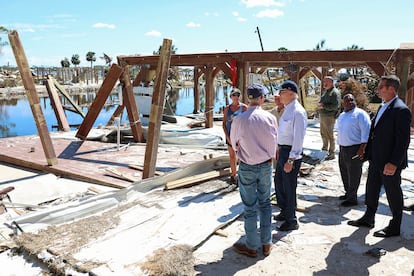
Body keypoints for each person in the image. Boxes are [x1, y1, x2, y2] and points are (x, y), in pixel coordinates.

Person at [348, 75, 411, 238]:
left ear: (391, 89)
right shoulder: (383, 106)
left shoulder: (401, 109)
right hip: (376, 158)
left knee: (393, 193)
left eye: (381, 86)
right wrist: (366, 151)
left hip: (389, 162)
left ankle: (395, 226)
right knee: (371, 189)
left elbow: (403, 140)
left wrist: (393, 163)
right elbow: (375, 132)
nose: (378, 89)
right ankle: (369, 217)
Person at [230, 84, 278, 258]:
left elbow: (234, 143)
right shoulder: (270, 118)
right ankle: (266, 243)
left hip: (247, 166)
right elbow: (274, 143)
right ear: (262, 98)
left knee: (250, 207)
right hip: (265, 165)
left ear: (248, 98)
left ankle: (251, 246)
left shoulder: (239, 119)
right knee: (265, 204)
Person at [273, 80, 307, 231]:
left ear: (291, 93)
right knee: (279, 182)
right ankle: (284, 211)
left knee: (289, 186)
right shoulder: (287, 109)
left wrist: (291, 159)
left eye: (282, 93)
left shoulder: (298, 111)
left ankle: (291, 219)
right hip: (283, 150)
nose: (280, 95)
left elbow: (298, 137)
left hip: (291, 153)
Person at [336, 93, 371, 207]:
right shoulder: (342, 115)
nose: (350, 102)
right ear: (343, 102)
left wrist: (362, 149)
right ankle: (348, 193)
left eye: (352, 100)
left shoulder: (360, 114)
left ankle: (352, 198)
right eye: (347, 100)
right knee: (344, 171)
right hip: (343, 148)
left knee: (354, 173)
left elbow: (366, 132)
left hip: (355, 148)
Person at [222, 88, 247, 185]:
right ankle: (233, 175)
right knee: (232, 156)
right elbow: (224, 124)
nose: (236, 97)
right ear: (230, 97)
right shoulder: (227, 109)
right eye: (234, 95)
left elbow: (248, 122)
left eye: (238, 95)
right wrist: (227, 137)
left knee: (241, 157)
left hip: (240, 137)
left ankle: (241, 175)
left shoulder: (244, 108)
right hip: (229, 136)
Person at [317, 76, 340, 160]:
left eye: (326, 82)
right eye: (324, 82)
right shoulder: (326, 92)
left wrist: (323, 106)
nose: (324, 84)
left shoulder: (334, 93)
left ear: (331, 83)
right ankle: (324, 149)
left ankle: (331, 153)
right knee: (323, 133)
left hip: (329, 117)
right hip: (323, 116)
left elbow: (335, 106)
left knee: (329, 134)